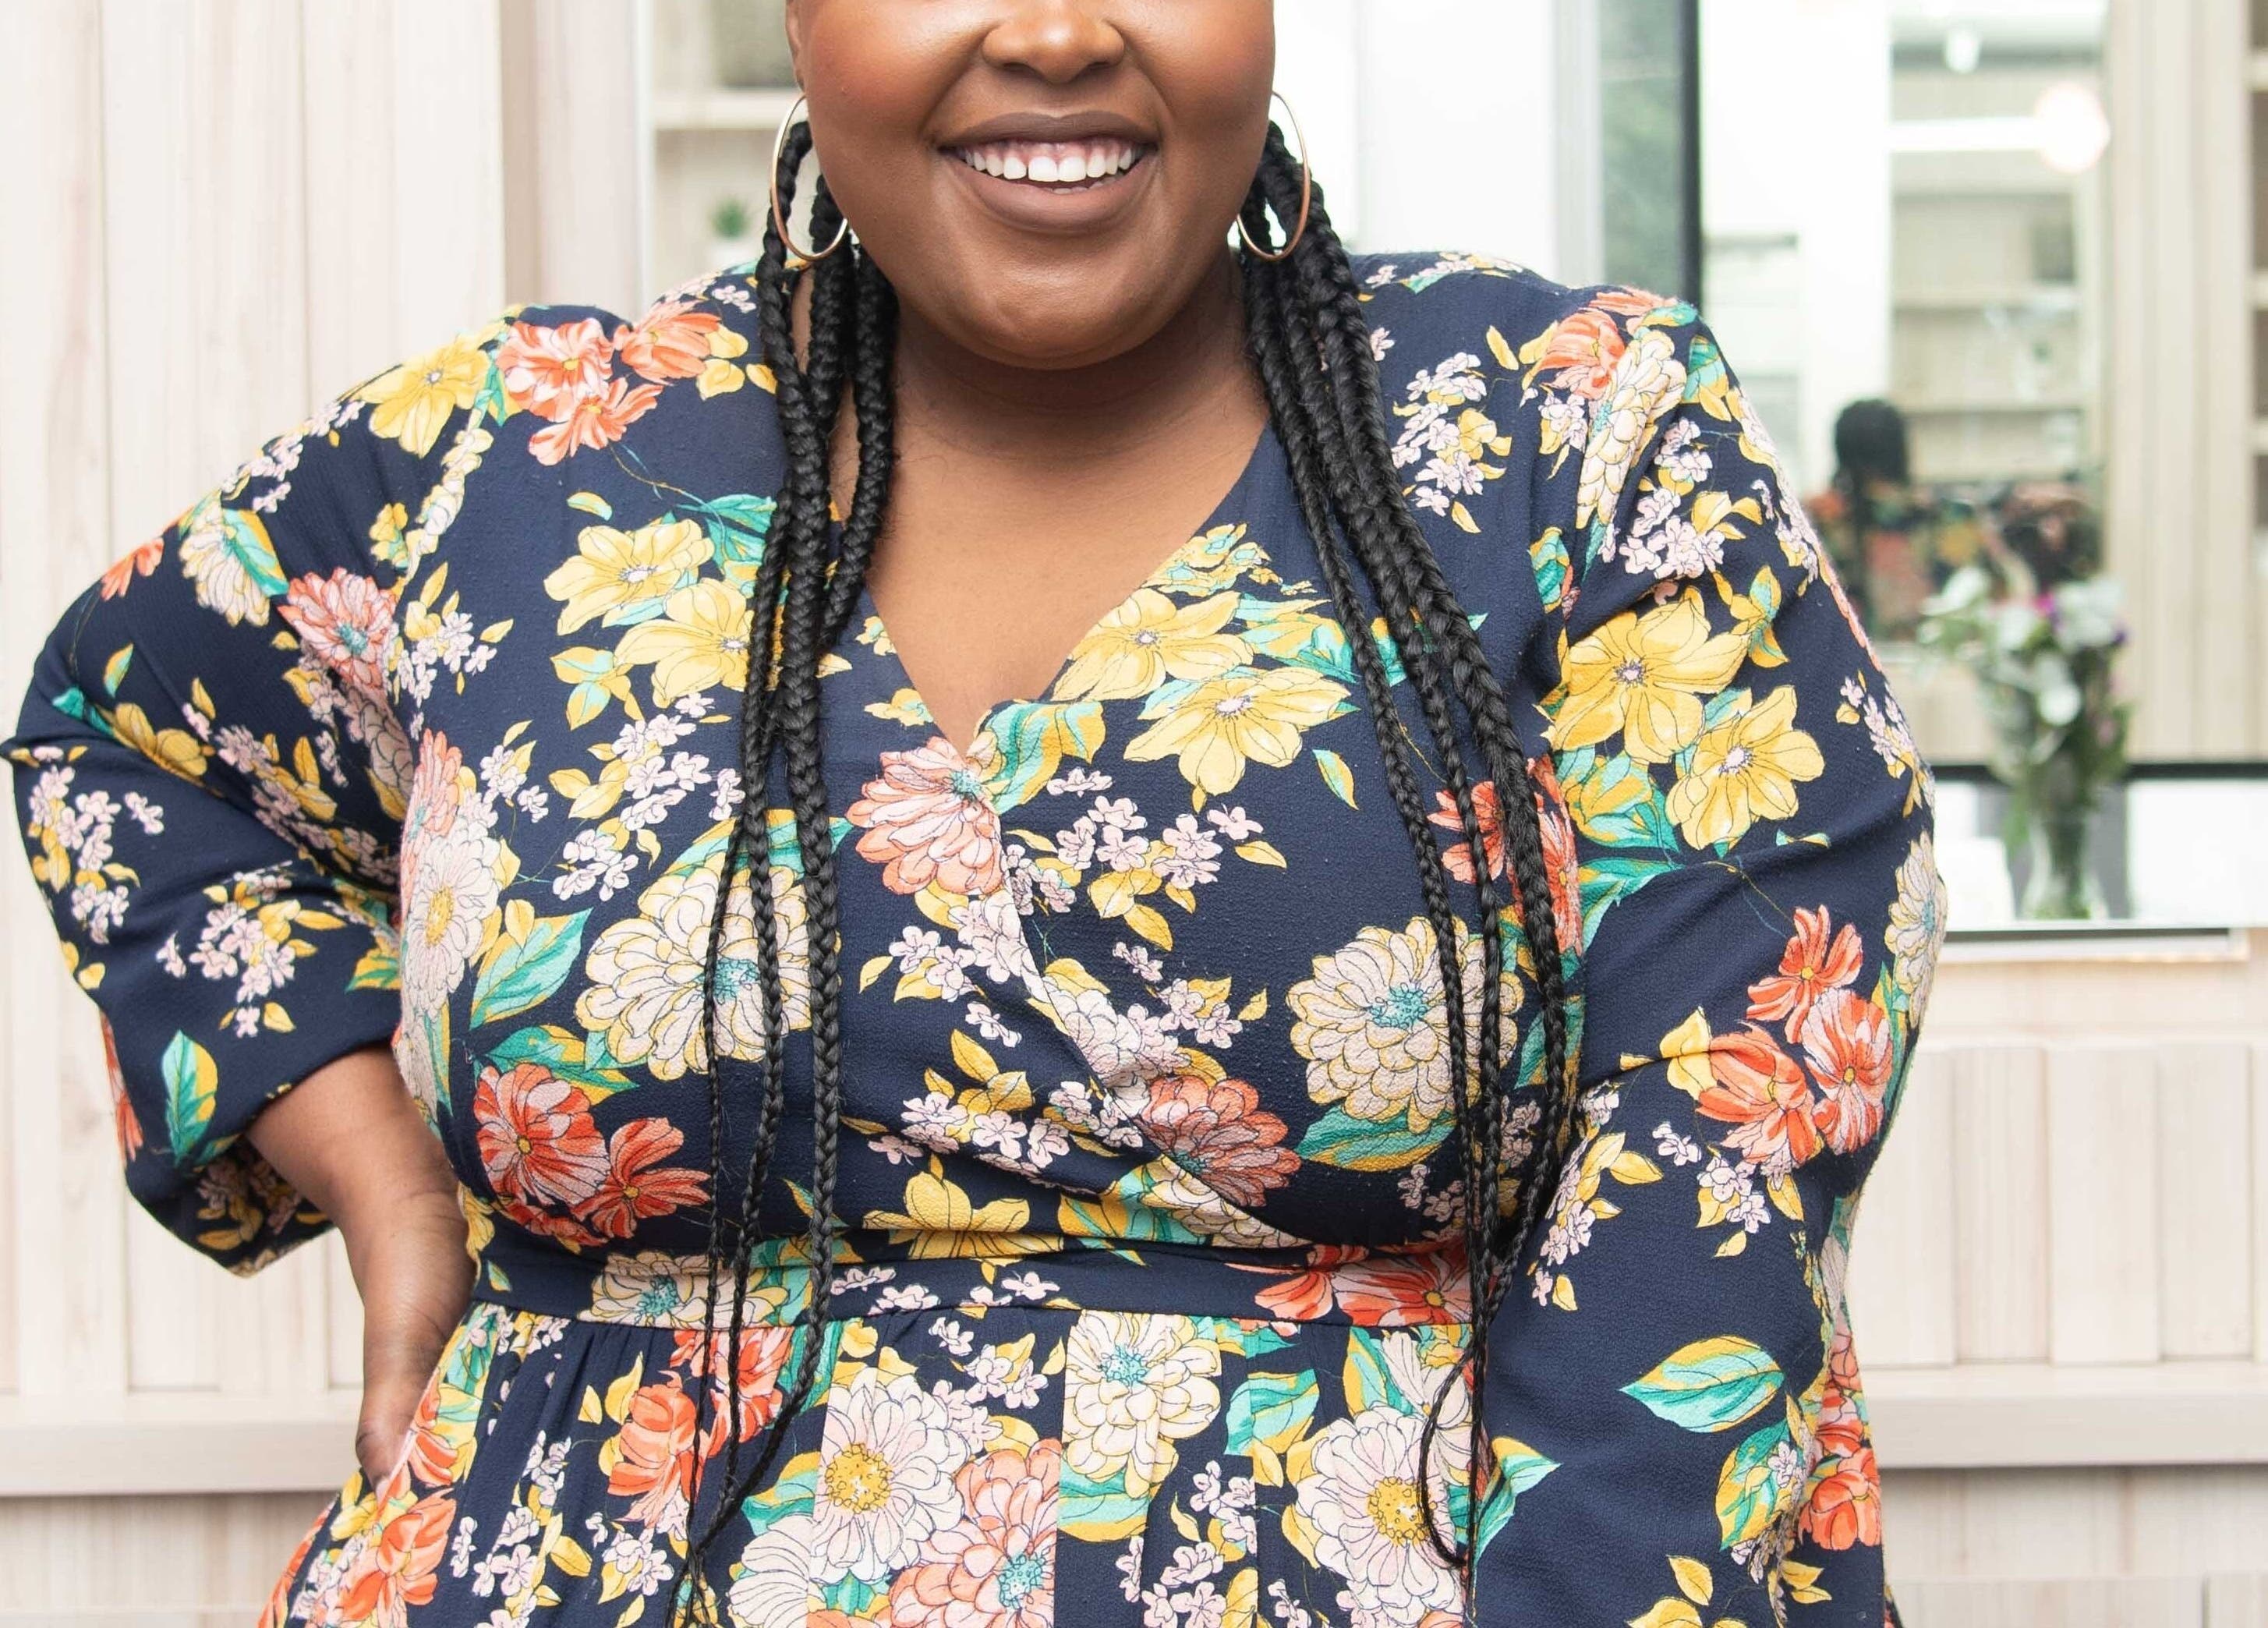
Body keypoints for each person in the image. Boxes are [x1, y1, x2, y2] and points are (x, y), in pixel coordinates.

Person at [2, 4, 1944, 1625]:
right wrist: (387, 1186)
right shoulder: (512, 452)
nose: (1055, 31)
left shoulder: (1567, 431)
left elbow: (1733, 1119)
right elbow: (122, 735)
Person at [1810, 397, 1987, 642]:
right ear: (1901, 450)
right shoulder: (1949, 516)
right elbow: (1999, 589)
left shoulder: (1816, 520)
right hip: (1933, 657)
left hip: (1849, 659)